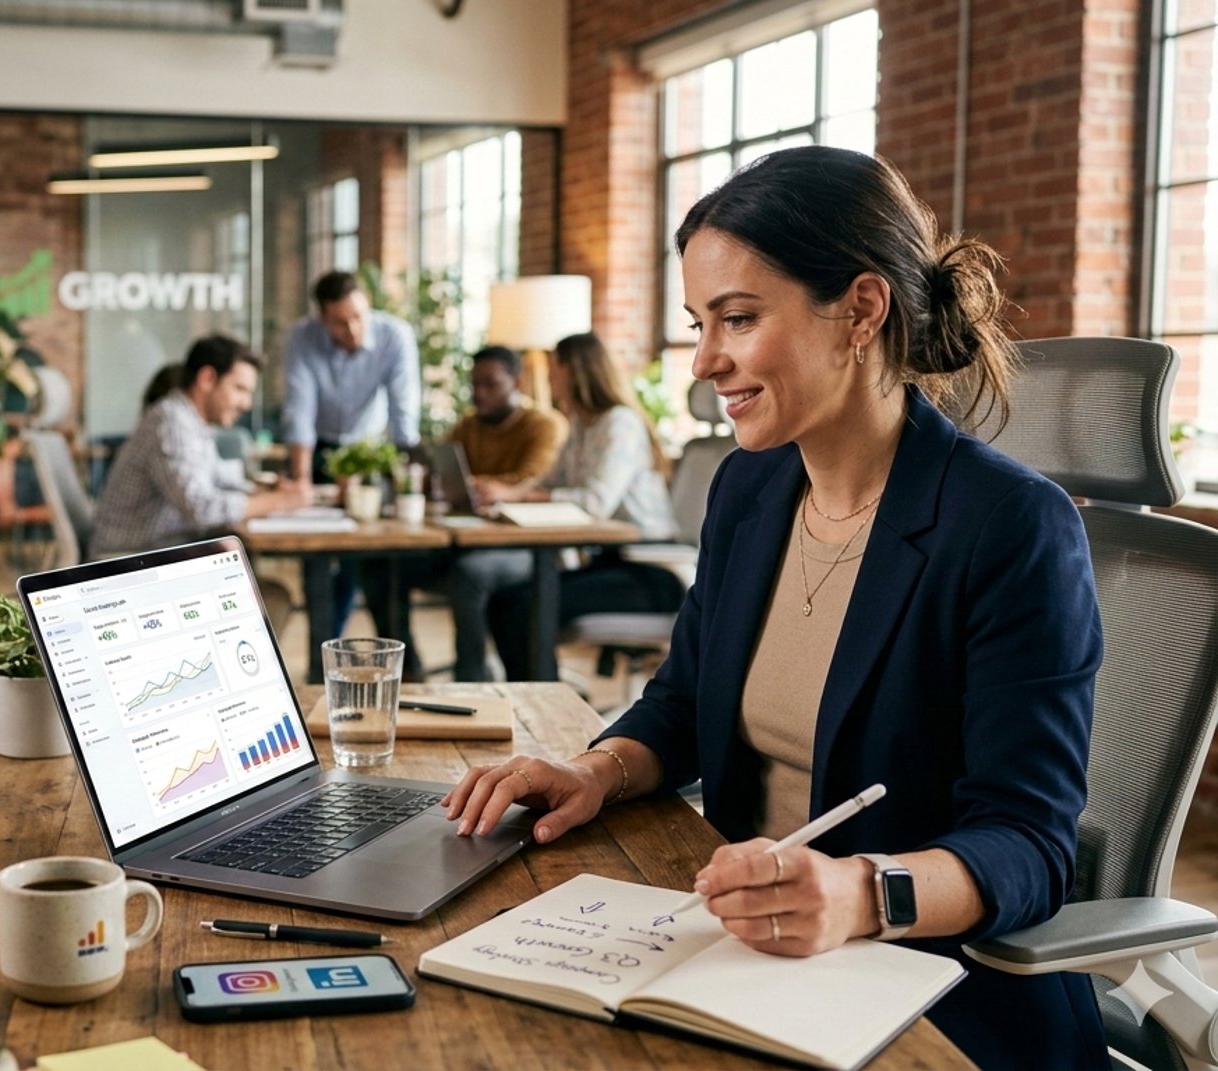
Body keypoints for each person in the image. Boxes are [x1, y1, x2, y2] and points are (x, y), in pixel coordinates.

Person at [442, 146, 1104, 1068]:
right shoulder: (750, 490)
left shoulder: (1009, 526)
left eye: (738, 319)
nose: (706, 360)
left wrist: (860, 893)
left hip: (931, 1001)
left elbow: (1031, 844)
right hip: (744, 962)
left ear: (862, 311)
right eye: (698, 323)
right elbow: (681, 703)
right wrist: (600, 769)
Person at [476, 333, 681, 681]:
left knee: (526, 608)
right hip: (608, 563)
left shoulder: (620, 424)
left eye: (555, 371)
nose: (551, 380)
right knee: (504, 602)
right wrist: (505, 492)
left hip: (652, 572)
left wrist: (519, 497)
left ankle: (544, 705)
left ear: (575, 372)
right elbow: (548, 484)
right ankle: (533, 699)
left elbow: (595, 502)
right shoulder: (580, 425)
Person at [358, 345, 567, 679]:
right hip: (467, 539)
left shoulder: (544, 425)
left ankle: (471, 677)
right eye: (474, 385)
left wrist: (489, 487)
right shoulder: (469, 426)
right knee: (380, 564)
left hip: (522, 546)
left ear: (517, 381)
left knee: (469, 575)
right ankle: (406, 668)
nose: (479, 394)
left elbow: (531, 481)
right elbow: (440, 469)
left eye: (491, 384)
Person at [281, 270, 420, 633]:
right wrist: (301, 484)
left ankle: (395, 648)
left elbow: (404, 414)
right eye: (341, 323)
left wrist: (406, 484)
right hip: (319, 447)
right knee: (320, 553)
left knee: (374, 550)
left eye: (359, 317)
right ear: (322, 319)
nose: (354, 330)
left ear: (368, 306)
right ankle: (322, 649)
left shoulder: (395, 336)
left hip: (370, 449)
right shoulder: (302, 337)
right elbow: (300, 412)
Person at [90, 335, 312, 558]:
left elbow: (217, 482)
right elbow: (200, 509)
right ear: (207, 378)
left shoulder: (194, 423)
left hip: (156, 550)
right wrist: (280, 502)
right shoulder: (171, 422)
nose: (247, 404)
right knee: (234, 558)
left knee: (233, 555)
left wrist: (265, 492)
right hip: (125, 559)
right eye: (239, 389)